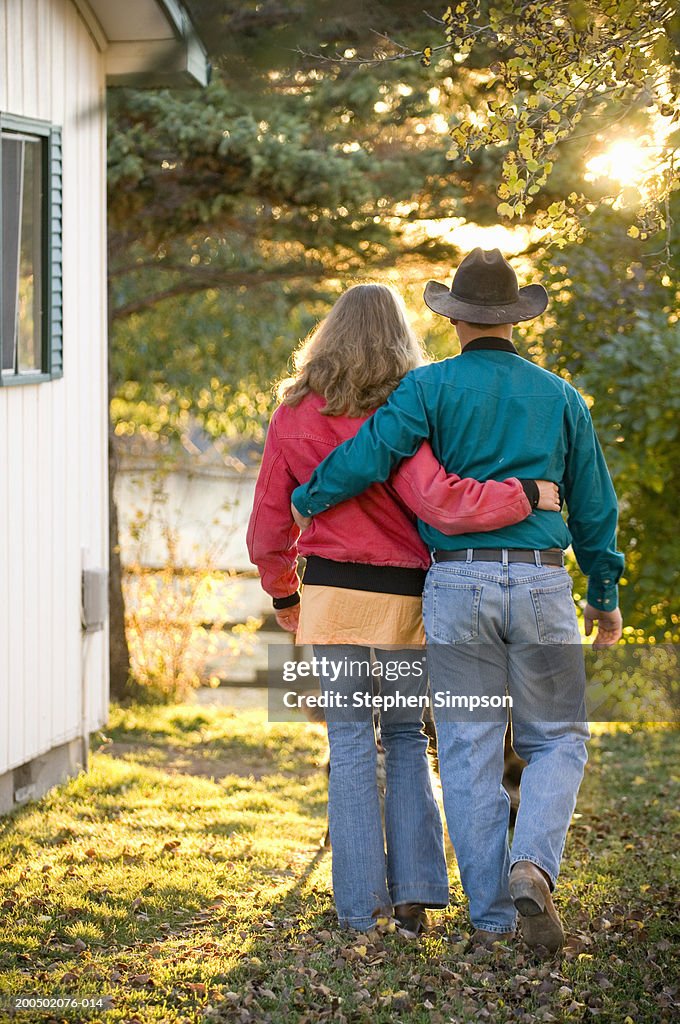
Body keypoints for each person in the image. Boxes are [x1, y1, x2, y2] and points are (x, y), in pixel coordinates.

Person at [290, 250, 624, 952]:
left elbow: (372, 453)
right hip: (540, 580)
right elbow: (595, 505)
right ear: (514, 322)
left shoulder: (427, 390)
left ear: (454, 319)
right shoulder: (560, 397)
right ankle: (531, 863)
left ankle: (493, 922)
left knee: (468, 750)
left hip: (457, 582)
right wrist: (603, 592)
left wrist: (308, 498)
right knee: (558, 738)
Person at [247, 282, 560, 935]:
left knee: (351, 744)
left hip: (331, 597)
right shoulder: (408, 411)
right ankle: (415, 895)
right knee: (405, 738)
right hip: (406, 600)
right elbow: (441, 502)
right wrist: (525, 497)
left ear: (329, 335)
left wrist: (284, 593)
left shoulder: (293, 413)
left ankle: (359, 909)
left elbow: (267, 526)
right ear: (400, 340)